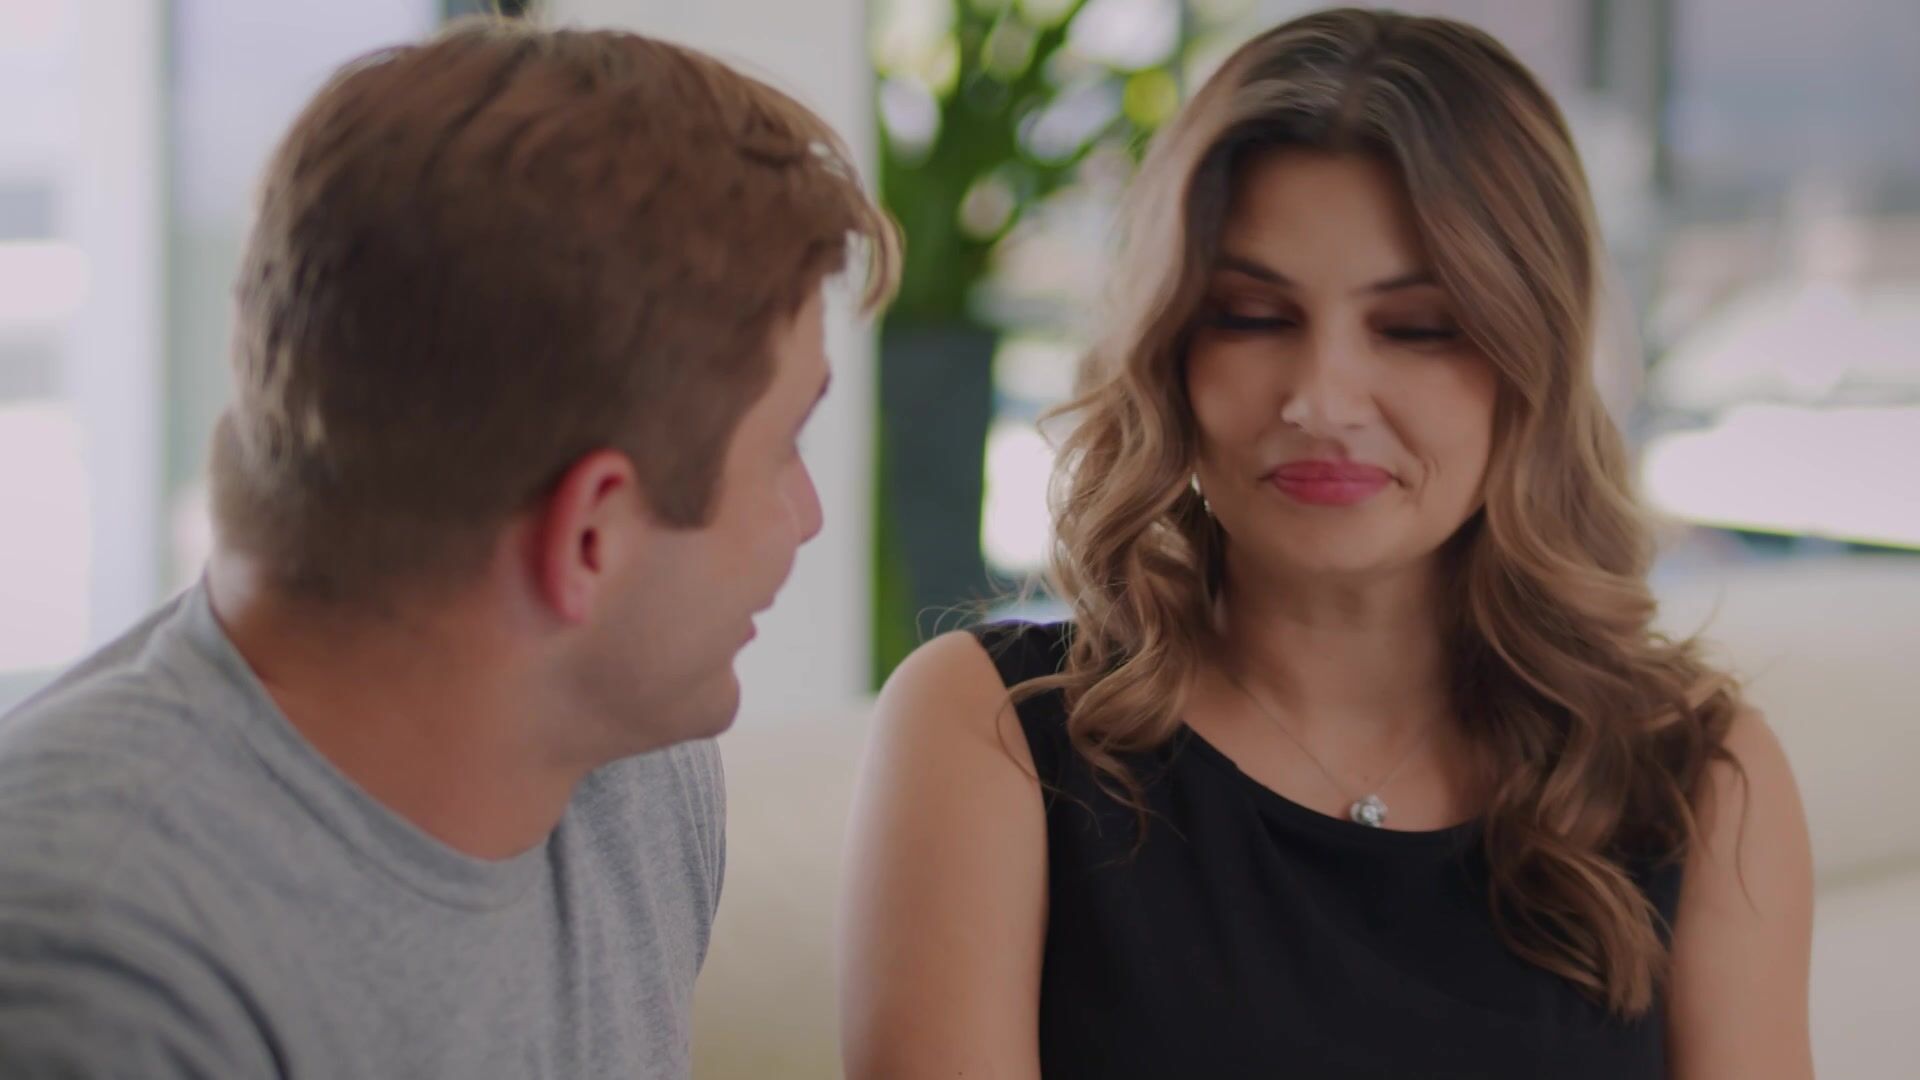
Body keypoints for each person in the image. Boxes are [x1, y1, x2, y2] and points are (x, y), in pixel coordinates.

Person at [840, 8, 1812, 1079]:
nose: (1320, 399)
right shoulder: (991, 733)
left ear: (1532, 359)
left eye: (1417, 328)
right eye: (1253, 316)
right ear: (1171, 347)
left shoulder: (1699, 780)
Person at [0, 17, 893, 1079]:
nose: (808, 515)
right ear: (590, 537)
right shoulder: (103, 969)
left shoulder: (631, 771)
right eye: (786, 445)